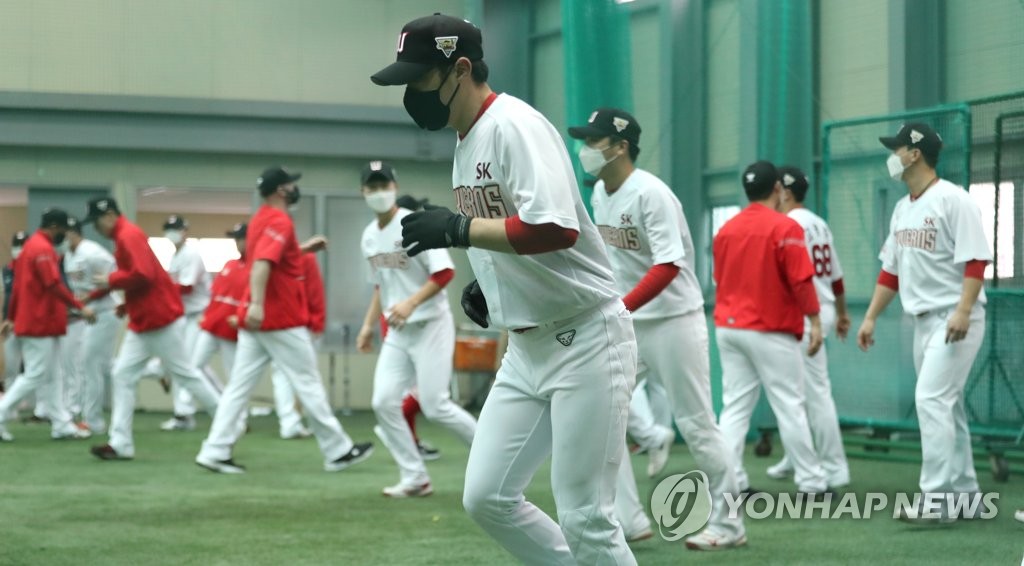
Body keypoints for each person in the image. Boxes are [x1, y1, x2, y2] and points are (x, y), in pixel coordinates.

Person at [372, 14, 638, 564]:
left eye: (418, 77)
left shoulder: (512, 124)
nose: (409, 92)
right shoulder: (465, 141)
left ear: (460, 69)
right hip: (527, 346)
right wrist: (490, 286)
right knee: (486, 497)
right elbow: (512, 230)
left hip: (587, 337)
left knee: (586, 514)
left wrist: (458, 229)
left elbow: (555, 227)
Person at [569, 107, 746, 549]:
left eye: (594, 141)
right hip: (629, 322)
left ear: (620, 146)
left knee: (698, 423)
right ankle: (629, 519)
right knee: (605, 415)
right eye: (586, 140)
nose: (586, 149)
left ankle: (729, 525)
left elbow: (668, 265)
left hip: (673, 320)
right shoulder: (600, 195)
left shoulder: (652, 194)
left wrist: (621, 308)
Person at [195, 166, 372, 474]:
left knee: (238, 388)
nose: (294, 188)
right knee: (308, 384)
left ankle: (214, 450)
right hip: (279, 319)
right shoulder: (279, 219)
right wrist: (260, 305)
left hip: (259, 321)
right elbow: (262, 263)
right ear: (281, 190)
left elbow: (271, 258)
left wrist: (303, 249)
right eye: (290, 184)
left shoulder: (260, 219)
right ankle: (338, 450)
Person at [857, 123, 991, 523]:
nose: (892, 156)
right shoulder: (904, 207)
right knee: (947, 408)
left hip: (955, 317)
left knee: (931, 401)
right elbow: (890, 273)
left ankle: (937, 501)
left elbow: (975, 260)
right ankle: (967, 495)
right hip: (922, 321)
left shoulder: (955, 200)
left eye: (897, 148)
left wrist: (964, 309)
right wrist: (870, 317)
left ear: (915, 153)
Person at [355, 160, 476, 497]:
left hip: (430, 325)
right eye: (372, 187)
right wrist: (367, 326)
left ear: (394, 186)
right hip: (398, 332)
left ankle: (492, 454)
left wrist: (411, 303)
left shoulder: (412, 223)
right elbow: (381, 286)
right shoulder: (369, 236)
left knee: (436, 405)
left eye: (384, 185)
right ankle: (415, 477)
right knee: (382, 401)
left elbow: (444, 274)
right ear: (363, 192)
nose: (379, 192)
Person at [714, 160, 829, 496]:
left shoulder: (726, 229)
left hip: (729, 327)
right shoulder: (785, 227)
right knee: (790, 405)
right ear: (778, 189)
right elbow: (801, 281)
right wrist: (816, 321)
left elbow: (719, 279)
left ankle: (730, 483)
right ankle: (812, 484)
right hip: (770, 329)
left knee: (734, 409)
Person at [83, 197, 222, 460]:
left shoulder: (128, 235)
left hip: (159, 319)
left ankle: (229, 422)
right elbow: (147, 277)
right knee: (124, 374)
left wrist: (111, 280)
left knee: (186, 375)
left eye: (97, 221)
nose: (96, 228)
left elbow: (144, 274)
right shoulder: (127, 235)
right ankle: (121, 443)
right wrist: (127, 304)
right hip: (147, 318)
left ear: (109, 215)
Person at [762, 166, 852, 489]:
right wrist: (840, 314)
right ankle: (797, 456)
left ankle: (834, 466)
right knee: (795, 391)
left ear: (784, 192)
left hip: (805, 313)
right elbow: (837, 277)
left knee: (813, 393)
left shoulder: (787, 224)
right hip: (823, 307)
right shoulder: (819, 222)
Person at [0, 208, 95, 442]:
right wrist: (79, 306)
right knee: (35, 374)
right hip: (38, 322)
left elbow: (18, 289)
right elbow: (53, 284)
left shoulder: (30, 249)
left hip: (39, 321)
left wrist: (10, 317)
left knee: (53, 376)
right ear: (54, 227)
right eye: (63, 229)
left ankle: (61, 424)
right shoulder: (41, 249)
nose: (64, 234)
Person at [153, 215, 215, 432]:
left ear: (185, 231)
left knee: (186, 364)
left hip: (200, 315)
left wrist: (159, 288)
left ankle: (184, 414)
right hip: (184, 316)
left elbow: (186, 288)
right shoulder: (175, 256)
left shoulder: (192, 254)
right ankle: (225, 406)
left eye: (176, 228)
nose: (172, 232)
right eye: (169, 228)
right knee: (198, 367)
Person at [64, 216, 122, 434]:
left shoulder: (93, 252)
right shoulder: (70, 254)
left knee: (90, 364)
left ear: (74, 232)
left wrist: (90, 298)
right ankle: (155, 369)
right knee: (104, 366)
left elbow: (114, 278)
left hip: (105, 312)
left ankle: (93, 421)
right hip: (89, 315)